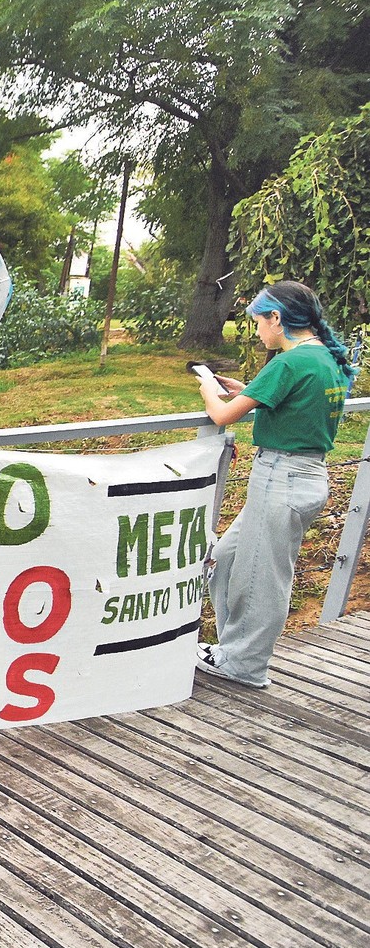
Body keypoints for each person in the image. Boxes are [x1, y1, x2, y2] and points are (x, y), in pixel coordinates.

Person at [195, 280, 354, 688]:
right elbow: (299, 404)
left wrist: (209, 389)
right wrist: (249, 391)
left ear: (277, 319)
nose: (259, 332)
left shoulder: (287, 363)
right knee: (228, 559)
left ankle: (246, 665)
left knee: (263, 578)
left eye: (259, 322)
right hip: (306, 475)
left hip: (280, 478)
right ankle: (233, 649)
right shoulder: (325, 358)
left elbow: (222, 417)